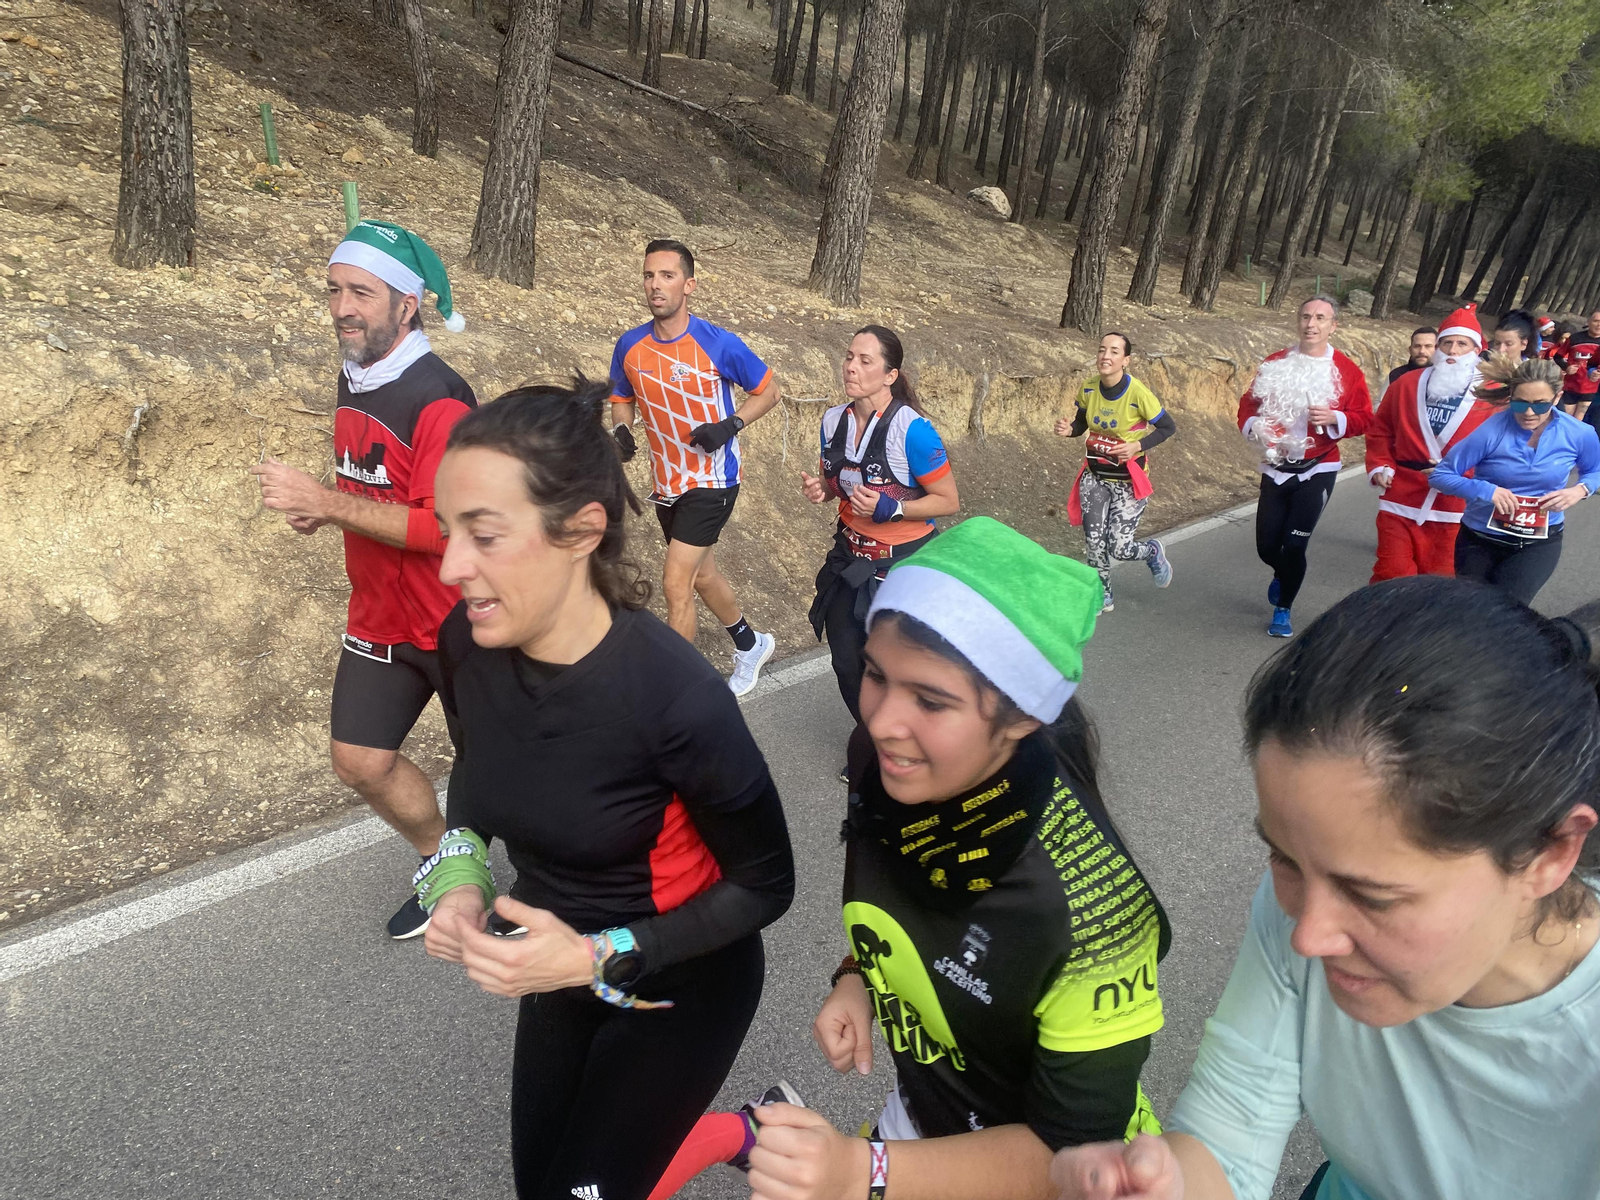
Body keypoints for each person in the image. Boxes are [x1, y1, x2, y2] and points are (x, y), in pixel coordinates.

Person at [650, 517, 1170, 1200]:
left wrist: (861, 1173)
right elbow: (912, 903)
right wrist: (858, 980)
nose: (884, 720)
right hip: (927, 1122)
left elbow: (1064, 1150)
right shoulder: (885, 764)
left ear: (1020, 719)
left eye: (931, 699)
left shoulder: (1096, 915)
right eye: (874, 674)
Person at [1048, 576, 1600, 1200]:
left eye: (1373, 897)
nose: (1308, 935)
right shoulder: (1307, 910)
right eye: (1282, 858)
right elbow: (1230, 1129)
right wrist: (1167, 1185)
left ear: (1550, 853)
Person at [421, 378, 795, 1200]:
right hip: (557, 966)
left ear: (583, 531)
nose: (451, 567)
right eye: (449, 531)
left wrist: (599, 952)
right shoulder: (467, 642)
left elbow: (766, 885)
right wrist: (457, 874)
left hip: (682, 978)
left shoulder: (673, 697)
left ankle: (742, 1129)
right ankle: (748, 1129)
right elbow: (481, 779)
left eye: (483, 535)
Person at [249, 220, 475, 939]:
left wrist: (327, 503)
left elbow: (444, 526)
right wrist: (330, 509)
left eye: (361, 293)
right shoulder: (355, 374)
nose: (343, 307)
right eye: (335, 290)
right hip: (379, 616)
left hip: (456, 621)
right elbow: (375, 485)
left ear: (407, 305)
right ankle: (447, 864)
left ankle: (566, 879)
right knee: (359, 760)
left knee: (500, 772)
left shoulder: (442, 397)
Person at [608, 239, 781, 696]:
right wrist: (622, 432)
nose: (655, 285)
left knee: (675, 582)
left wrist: (730, 425)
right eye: (649, 275)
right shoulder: (629, 346)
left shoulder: (718, 343)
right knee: (702, 575)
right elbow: (621, 398)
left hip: (714, 480)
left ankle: (675, 695)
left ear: (689, 285)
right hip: (667, 483)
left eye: (667, 276)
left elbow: (769, 390)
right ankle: (750, 643)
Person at [802, 326, 960, 728]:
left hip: (902, 568)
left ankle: (916, 743)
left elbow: (947, 500)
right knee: (846, 664)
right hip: (849, 560)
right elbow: (838, 480)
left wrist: (892, 508)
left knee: (898, 668)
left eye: (865, 360)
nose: (851, 367)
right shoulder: (832, 420)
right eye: (849, 356)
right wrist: (822, 489)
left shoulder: (913, 430)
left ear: (890, 375)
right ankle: (875, 742)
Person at [1236, 295, 1373, 638]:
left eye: (1320, 318)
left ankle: (1283, 608)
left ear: (1332, 325)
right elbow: (1247, 406)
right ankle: (1282, 574)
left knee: (1295, 545)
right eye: (1306, 317)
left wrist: (1335, 417)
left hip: (1318, 467)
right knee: (1267, 547)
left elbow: (1364, 418)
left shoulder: (1347, 370)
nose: (1311, 324)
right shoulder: (1276, 361)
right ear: (1298, 321)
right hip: (1276, 466)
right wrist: (1255, 426)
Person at [1430, 354, 1600, 604]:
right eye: (1519, 404)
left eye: (1540, 405)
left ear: (1557, 397)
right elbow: (1441, 476)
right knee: (1469, 609)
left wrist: (1579, 490)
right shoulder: (1491, 431)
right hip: (1481, 540)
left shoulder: (1580, 434)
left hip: (1539, 543)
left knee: (1509, 610)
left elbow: (1594, 471)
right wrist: (1487, 491)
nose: (1529, 413)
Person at [1364, 304, 1494, 582]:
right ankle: (1383, 625)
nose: (1453, 351)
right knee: (1391, 574)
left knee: (1439, 580)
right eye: (1447, 343)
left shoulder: (1493, 393)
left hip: (1455, 502)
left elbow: (1502, 447)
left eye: (1462, 343)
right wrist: (1380, 465)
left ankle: (1424, 627)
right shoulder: (1407, 383)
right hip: (1401, 493)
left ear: (1476, 350)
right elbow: (1381, 429)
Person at [1055, 332, 1176, 614]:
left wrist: (1137, 445)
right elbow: (1081, 425)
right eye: (1101, 350)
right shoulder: (1087, 388)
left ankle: (1152, 552)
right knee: (1094, 539)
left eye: (1113, 351)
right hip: (1095, 476)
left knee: (1119, 548)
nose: (1105, 356)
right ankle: (1103, 594)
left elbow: (1168, 428)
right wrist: (1068, 430)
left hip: (1127, 481)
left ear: (1125, 360)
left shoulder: (1138, 394)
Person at [1556, 307, 1600, 421]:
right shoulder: (1575, 338)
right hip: (1571, 386)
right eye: (1596, 321)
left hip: (1591, 388)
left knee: (1578, 421)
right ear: (1588, 321)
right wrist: (1567, 367)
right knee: (1566, 419)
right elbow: (1558, 356)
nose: (1598, 325)